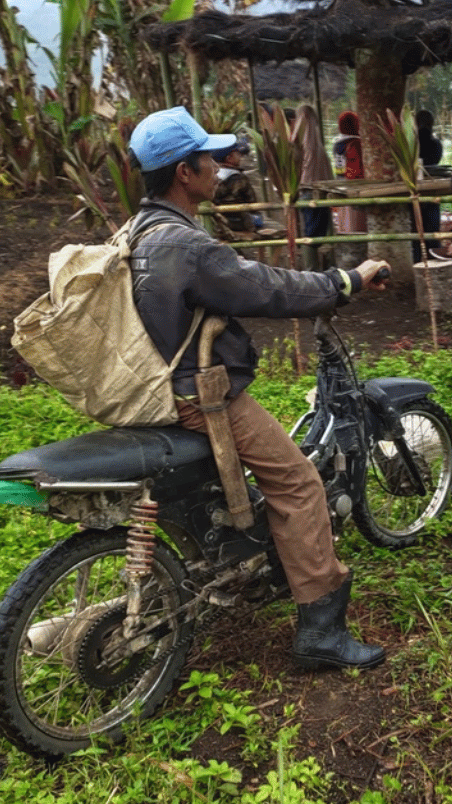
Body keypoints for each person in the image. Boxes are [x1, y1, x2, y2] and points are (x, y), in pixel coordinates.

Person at [125, 106, 390, 670]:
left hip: (155, 389)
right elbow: (266, 288)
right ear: (183, 172)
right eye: (210, 159)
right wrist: (345, 280)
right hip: (204, 395)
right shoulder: (185, 245)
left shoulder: (137, 231)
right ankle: (322, 631)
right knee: (299, 486)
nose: (220, 168)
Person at [294, 103, 333, 244]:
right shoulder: (315, 143)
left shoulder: (304, 142)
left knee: (311, 237)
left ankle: (312, 265)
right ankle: (315, 264)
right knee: (317, 235)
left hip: (309, 190)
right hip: (318, 191)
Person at [412, 109, 443, 263]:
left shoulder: (412, 143)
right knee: (432, 226)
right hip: (431, 187)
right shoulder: (436, 144)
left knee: (416, 228)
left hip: (414, 187)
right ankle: (433, 256)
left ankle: (418, 259)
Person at [332, 110, 365, 234]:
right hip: (354, 189)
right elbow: (356, 170)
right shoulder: (356, 143)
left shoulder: (336, 145)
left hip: (340, 186)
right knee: (356, 225)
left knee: (344, 225)